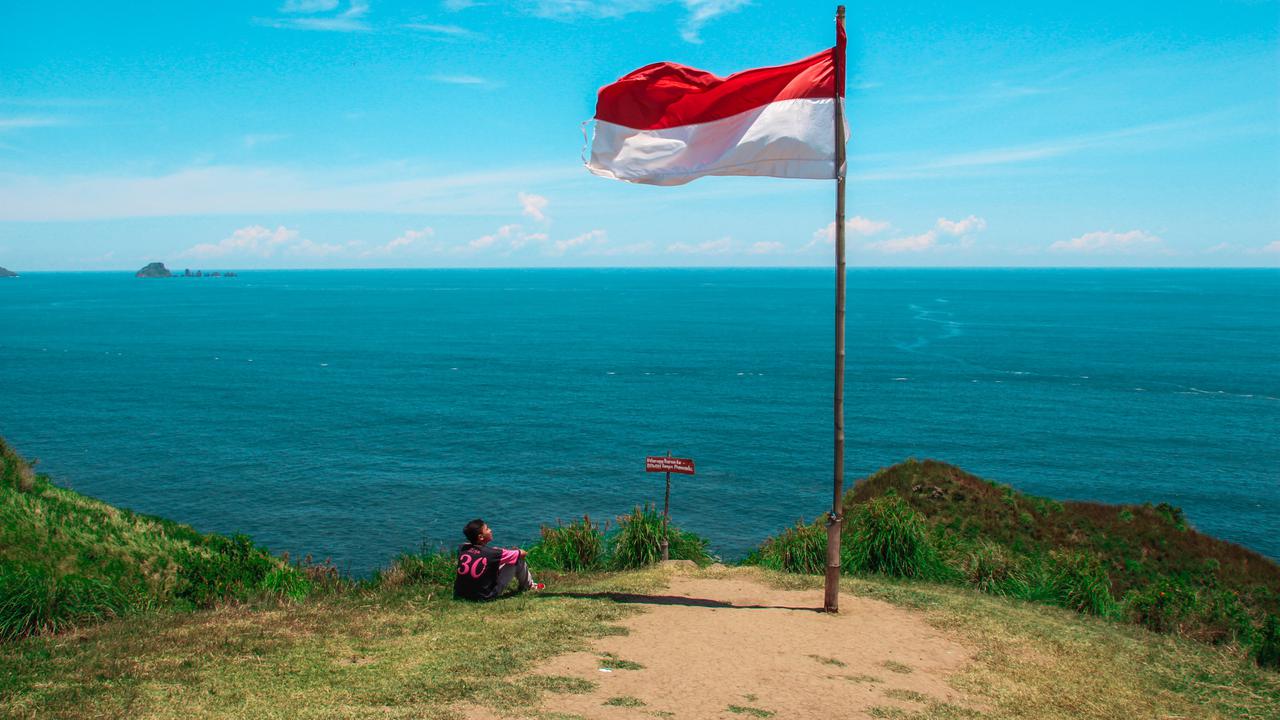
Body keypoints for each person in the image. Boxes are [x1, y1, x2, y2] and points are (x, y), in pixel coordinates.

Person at [453, 518, 544, 601]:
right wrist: (504, 551)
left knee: (496, 563)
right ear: (481, 537)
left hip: (460, 594)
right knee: (517, 559)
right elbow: (523, 553)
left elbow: (478, 555)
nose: (490, 530)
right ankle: (528, 586)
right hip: (485, 596)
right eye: (487, 529)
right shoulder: (494, 553)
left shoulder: (462, 548)